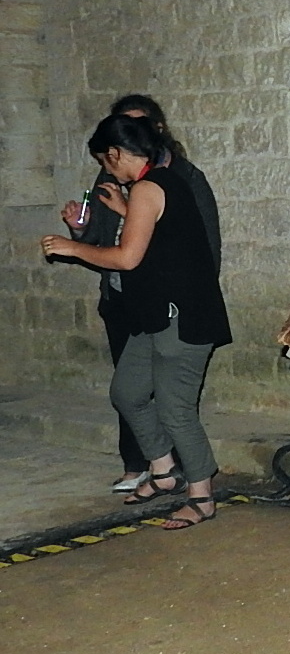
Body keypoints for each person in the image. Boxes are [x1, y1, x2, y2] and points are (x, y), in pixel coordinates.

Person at [44, 114, 232, 529]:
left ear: (114, 154)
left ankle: (202, 495)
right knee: (127, 392)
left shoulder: (151, 187)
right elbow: (165, 236)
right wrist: (124, 209)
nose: (104, 171)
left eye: (104, 161)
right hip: (154, 316)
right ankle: (164, 471)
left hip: (183, 319)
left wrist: (71, 249)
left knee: (175, 409)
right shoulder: (153, 186)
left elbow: (128, 257)